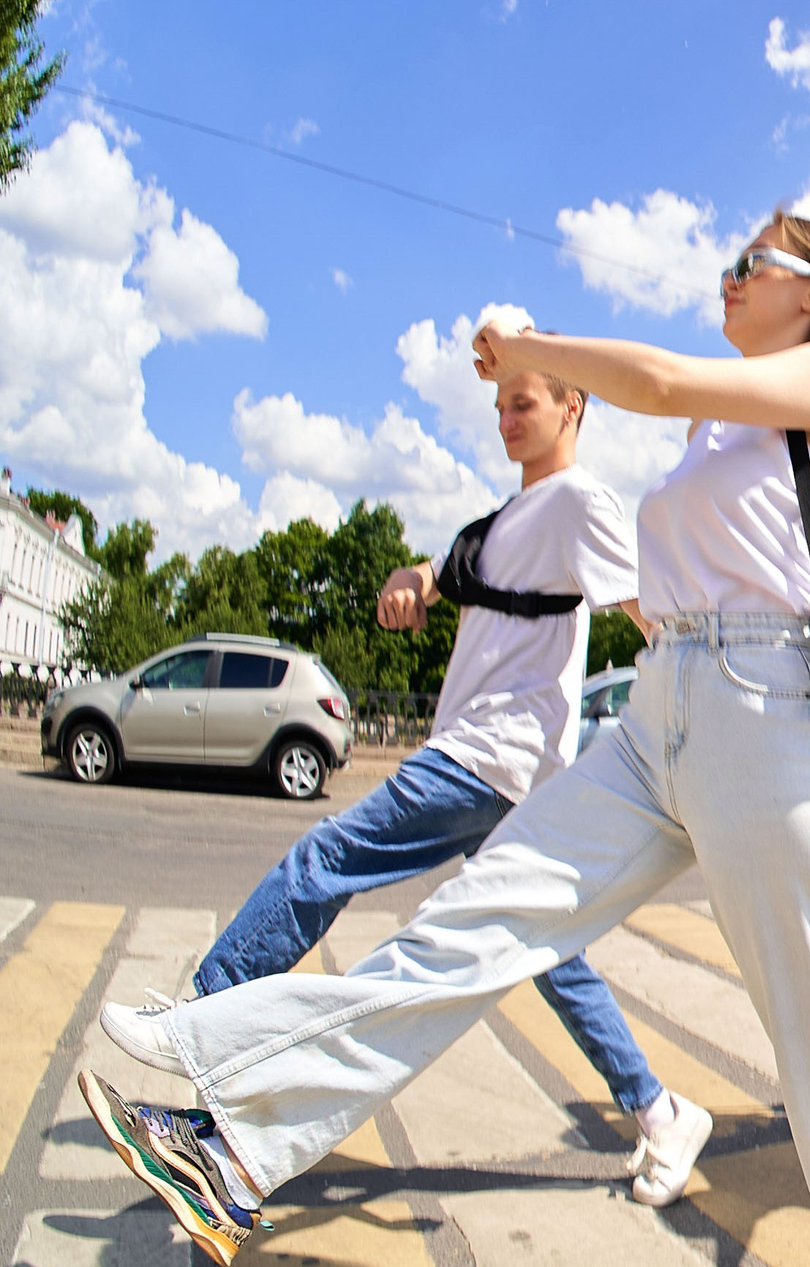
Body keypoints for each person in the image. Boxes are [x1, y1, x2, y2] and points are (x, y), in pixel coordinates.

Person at [87, 211, 810, 1267]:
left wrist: (529, 347)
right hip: (659, 710)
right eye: (731, 261)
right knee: (470, 925)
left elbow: (651, 380)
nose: (729, 275)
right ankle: (233, 1143)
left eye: (754, 263)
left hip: (768, 711)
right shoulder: (716, 430)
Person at [121, 362, 711, 1207]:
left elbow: (645, 609)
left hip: (488, 756)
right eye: (500, 406)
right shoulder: (507, 519)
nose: (506, 419)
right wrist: (409, 583)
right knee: (552, 957)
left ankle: (205, 1018)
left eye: (524, 403)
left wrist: (707, 710)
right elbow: (434, 574)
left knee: (326, 858)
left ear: (573, 407)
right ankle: (661, 1112)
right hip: (504, 768)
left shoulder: (580, 503)